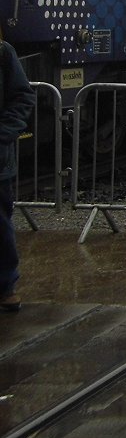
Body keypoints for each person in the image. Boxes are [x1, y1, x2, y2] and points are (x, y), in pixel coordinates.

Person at [0, 35, 35, 312]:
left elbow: (22, 96)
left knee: (0, 226)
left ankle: (5, 287)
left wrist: (4, 134)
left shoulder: (3, 52)